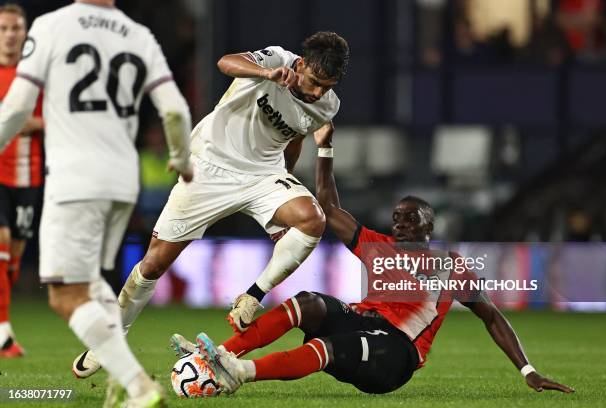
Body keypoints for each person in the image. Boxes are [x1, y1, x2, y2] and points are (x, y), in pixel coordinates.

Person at [180, 123, 574, 396]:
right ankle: (221, 355)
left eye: (410, 217)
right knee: (308, 302)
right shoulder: (377, 246)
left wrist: (528, 370)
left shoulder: (450, 268)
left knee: (334, 345)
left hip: (395, 356)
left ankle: (239, 375)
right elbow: (329, 207)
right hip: (362, 324)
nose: (400, 223)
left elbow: (491, 316)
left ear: (429, 225)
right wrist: (325, 146)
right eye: (397, 217)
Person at [73, 31, 350, 378]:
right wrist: (266, 75)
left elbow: (293, 137)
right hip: (211, 167)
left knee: (312, 219)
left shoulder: (327, 105)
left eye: (327, 86)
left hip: (263, 175)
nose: (318, 92)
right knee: (153, 264)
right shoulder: (276, 59)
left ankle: (252, 297)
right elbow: (226, 63)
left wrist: (285, 181)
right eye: (315, 82)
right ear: (303, 63)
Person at [0, 0, 193, 406]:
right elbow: (175, 109)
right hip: (123, 181)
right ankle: (123, 378)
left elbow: (17, 107)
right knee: (90, 286)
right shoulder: (139, 36)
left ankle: (138, 386)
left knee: (64, 295)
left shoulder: (51, 25)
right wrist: (181, 158)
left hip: (74, 177)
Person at [0, 3, 44, 359]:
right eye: (3, 28)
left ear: (25, 33)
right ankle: (2, 336)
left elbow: (53, 120)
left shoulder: (36, 76)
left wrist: (26, 123)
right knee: (0, 246)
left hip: (28, 175)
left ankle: (2, 322)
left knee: (13, 260)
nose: (10, 35)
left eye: (15, 28)